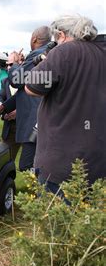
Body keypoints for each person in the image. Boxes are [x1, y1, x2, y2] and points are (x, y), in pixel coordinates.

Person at [25, 14, 106, 196]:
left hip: (62, 162)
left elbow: (31, 88)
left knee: (57, 221)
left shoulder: (64, 52)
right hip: (98, 159)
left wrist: (46, 60)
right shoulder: (101, 52)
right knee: (90, 219)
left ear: (61, 35)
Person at [0, 26, 51, 171]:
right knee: (33, 164)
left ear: (34, 39)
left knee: (28, 165)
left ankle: (41, 192)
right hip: (39, 120)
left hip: (34, 121)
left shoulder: (38, 54)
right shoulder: (47, 54)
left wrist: (16, 64)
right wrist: (4, 107)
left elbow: (16, 81)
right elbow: (25, 90)